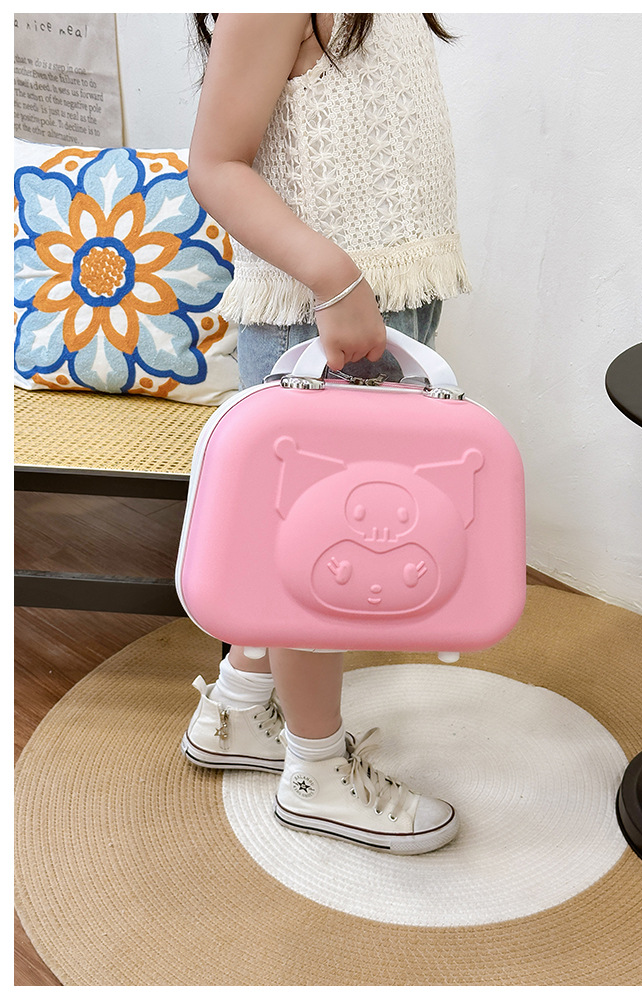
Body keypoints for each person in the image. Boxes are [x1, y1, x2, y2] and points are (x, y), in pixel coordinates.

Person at [181, 12, 470, 854]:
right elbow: (215, 163)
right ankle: (315, 771)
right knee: (320, 554)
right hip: (319, 311)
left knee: (312, 532)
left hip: (380, 300)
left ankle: (242, 705)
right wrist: (335, 278)